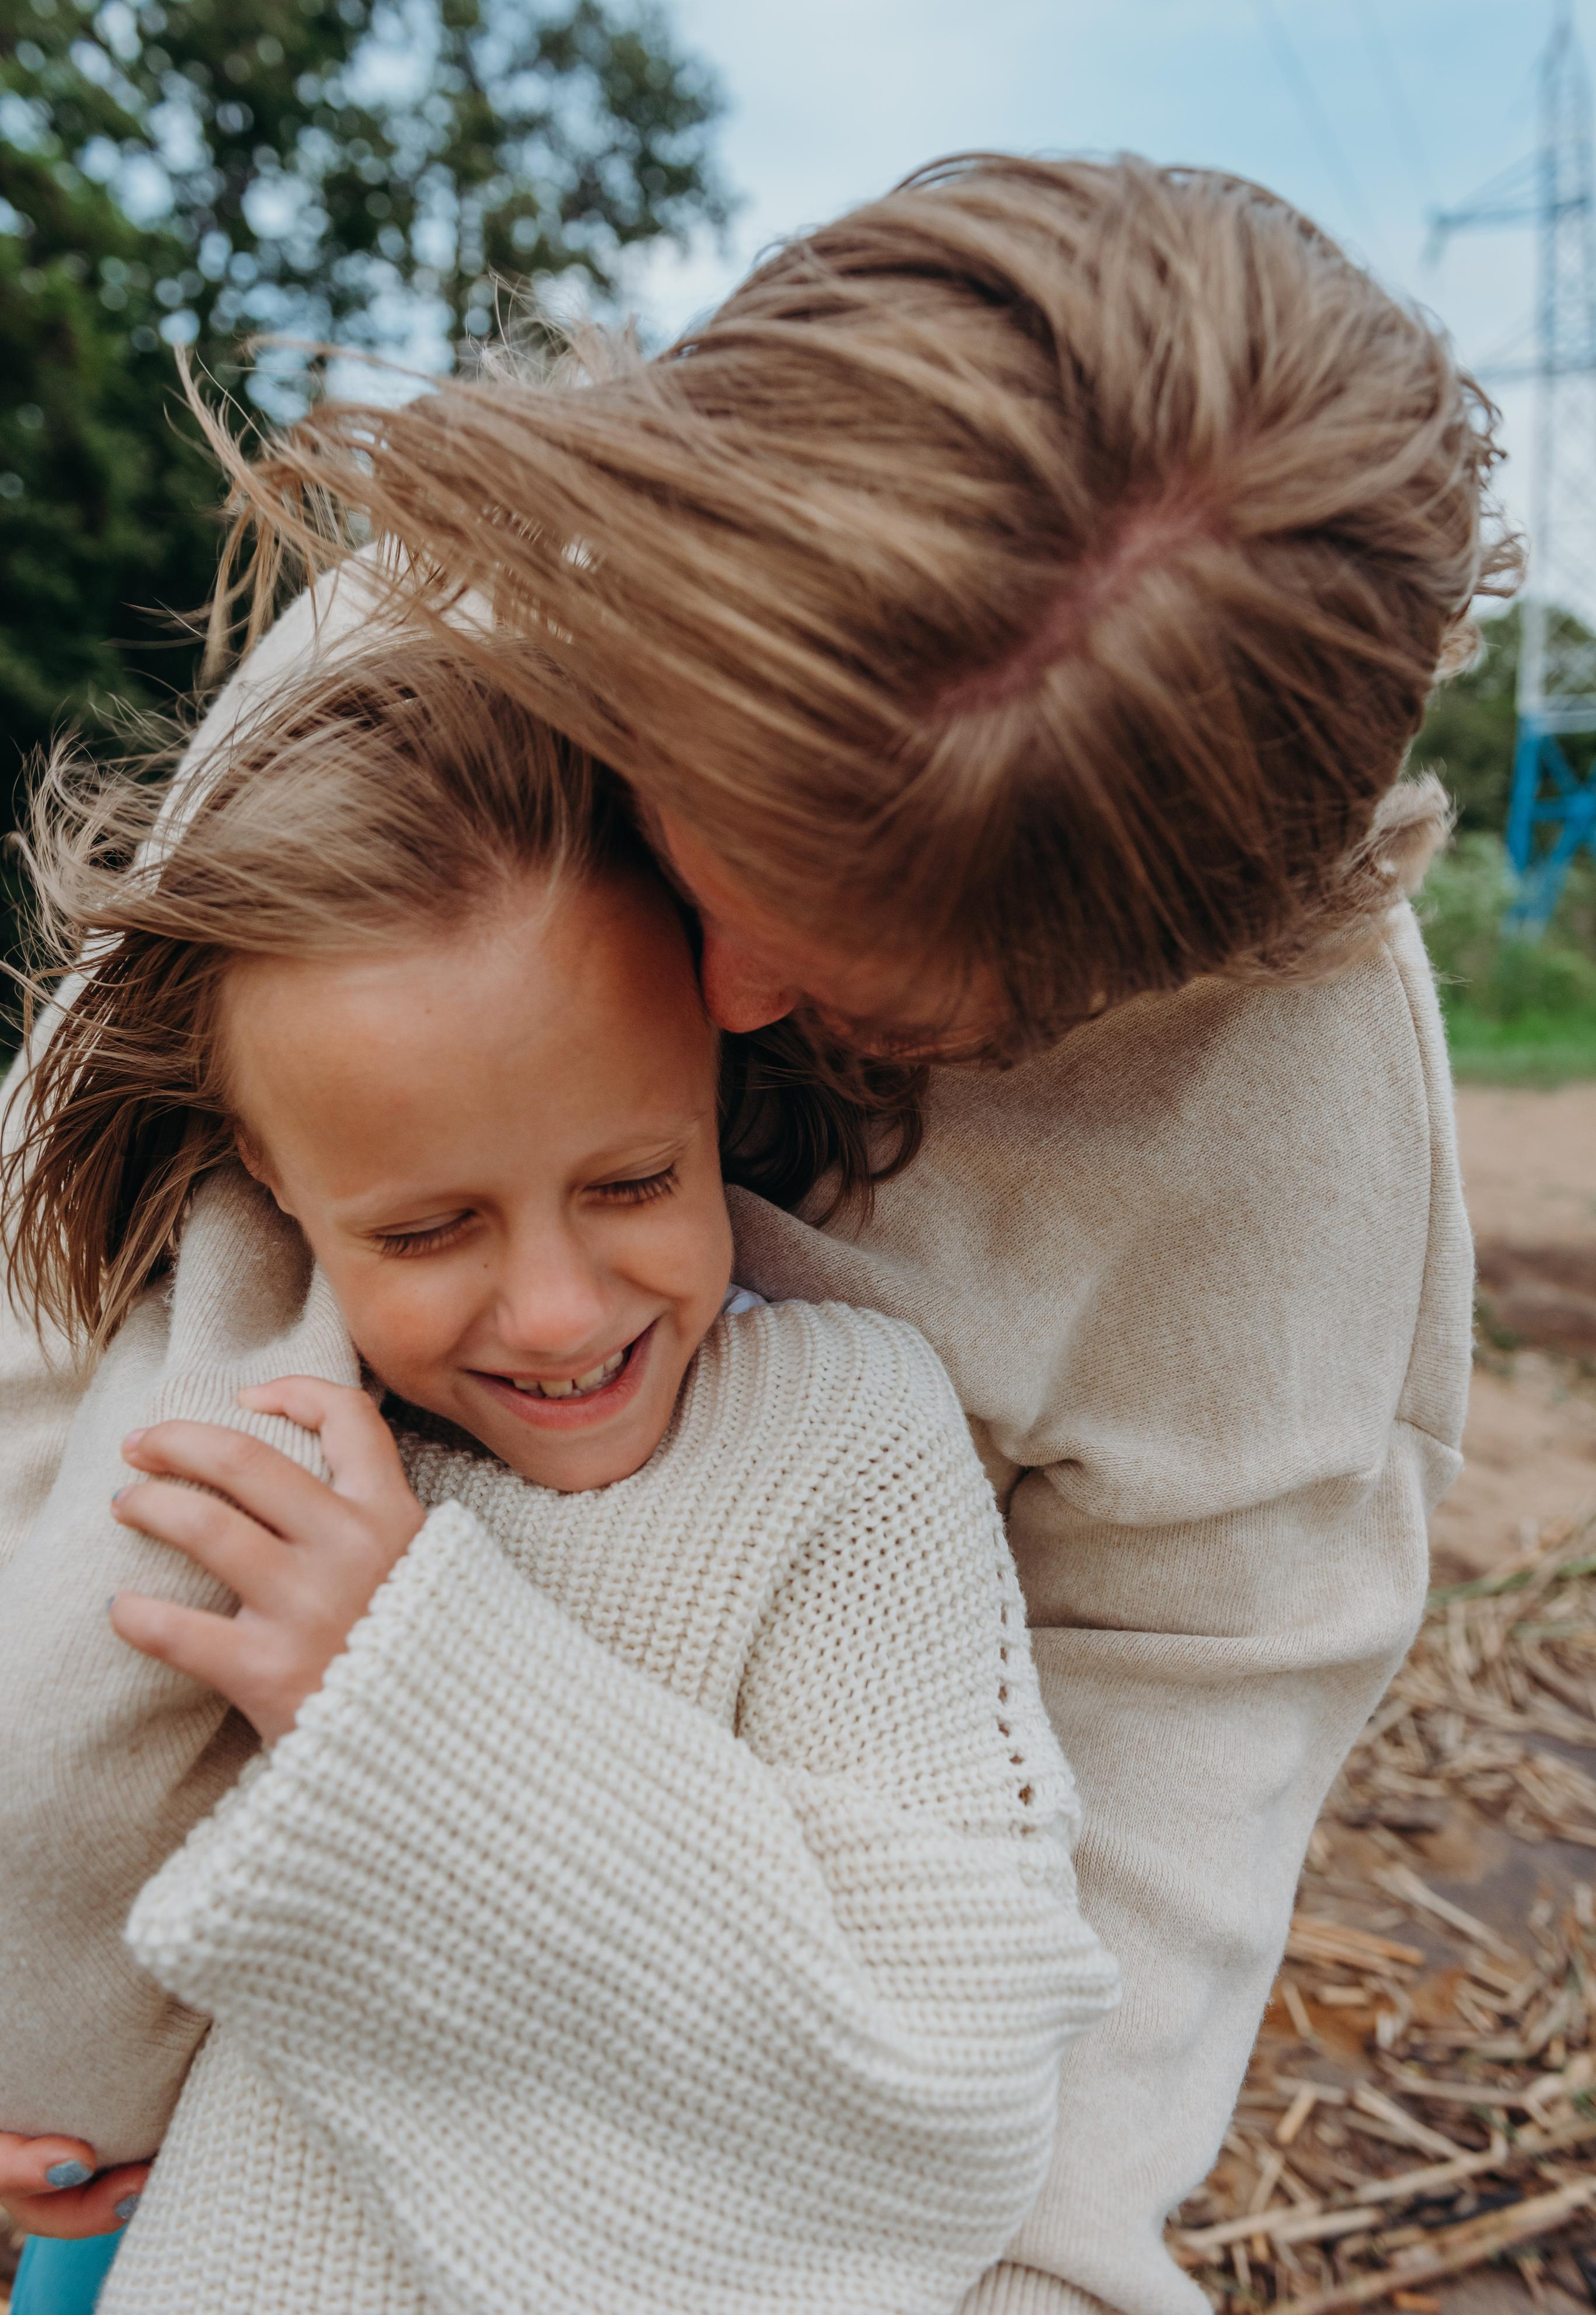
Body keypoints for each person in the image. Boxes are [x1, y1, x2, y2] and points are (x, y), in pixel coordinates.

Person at [2, 151, 1512, 2314]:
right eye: (706, 842)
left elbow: (1180, 1748)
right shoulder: (444, 654)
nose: (709, 1014)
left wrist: (1035, 2265)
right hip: (214, 2021)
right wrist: (42, 1998)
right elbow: (77, 1256)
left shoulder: (1283, 1110)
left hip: (728, 2054)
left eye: (863, 992)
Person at [0, 635, 1117, 2315]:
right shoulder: (216, 1421)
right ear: (269, 1173)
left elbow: (944, 2093)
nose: (558, 1310)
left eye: (633, 1177)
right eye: (427, 1226)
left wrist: (409, 1700)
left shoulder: (841, 1446)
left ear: (721, 1076)